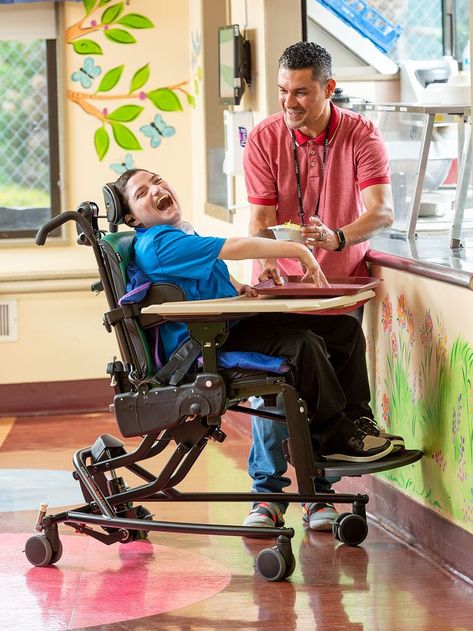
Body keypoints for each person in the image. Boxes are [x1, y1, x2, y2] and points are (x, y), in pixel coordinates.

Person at [113, 167, 394, 477]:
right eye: (141, 194)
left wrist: (238, 287)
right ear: (133, 220)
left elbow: (203, 272)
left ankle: (356, 420)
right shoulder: (158, 244)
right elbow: (231, 248)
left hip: (225, 327)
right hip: (203, 345)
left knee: (344, 330)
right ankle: (333, 438)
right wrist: (297, 250)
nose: (155, 190)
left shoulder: (178, 235)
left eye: (157, 180)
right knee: (303, 346)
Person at [242, 41, 401, 531]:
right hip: (279, 288)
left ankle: (319, 493)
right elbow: (262, 218)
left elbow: (381, 211)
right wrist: (263, 259)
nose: (289, 103)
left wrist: (336, 236)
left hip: (339, 286)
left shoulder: (361, 135)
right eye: (283, 91)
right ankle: (265, 497)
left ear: (330, 88)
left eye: (302, 93)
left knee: (326, 387)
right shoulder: (266, 137)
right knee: (274, 389)